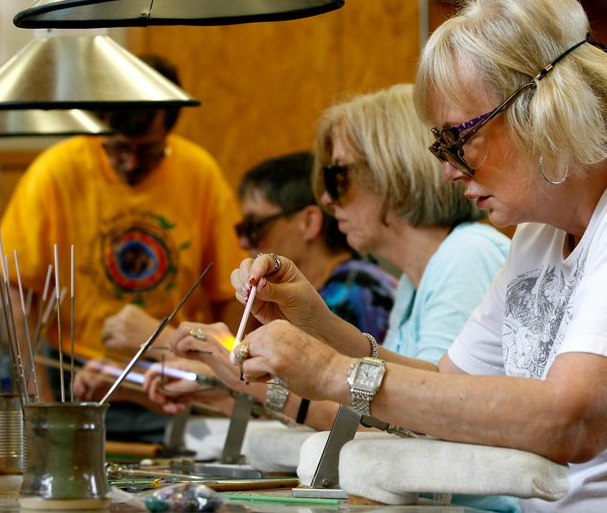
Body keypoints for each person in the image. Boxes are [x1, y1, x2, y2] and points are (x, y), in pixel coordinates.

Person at [186, 0, 607, 511]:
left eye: (459, 140)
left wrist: (335, 374)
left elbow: (574, 421)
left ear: (543, 107)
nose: (448, 173)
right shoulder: (541, 231)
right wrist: (316, 323)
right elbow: (445, 394)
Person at [157, 85, 515, 511]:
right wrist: (234, 378)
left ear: (392, 171)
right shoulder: (413, 283)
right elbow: (380, 413)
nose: (326, 199)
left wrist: (249, 378)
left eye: (337, 177)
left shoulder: (465, 254)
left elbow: (427, 424)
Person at [0, 54, 248, 441]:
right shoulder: (55, 172)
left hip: (171, 373)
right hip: (72, 373)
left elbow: (229, 296)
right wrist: (40, 411)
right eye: (114, 149)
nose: (130, 163)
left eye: (148, 150)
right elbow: (15, 296)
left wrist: (221, 376)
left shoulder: (199, 173)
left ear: (170, 128)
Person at [236, 151, 396, 343]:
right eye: (242, 230)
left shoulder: (353, 294)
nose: (244, 242)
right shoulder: (335, 287)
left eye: (255, 226)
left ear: (309, 222)